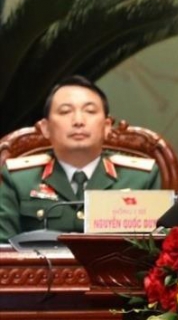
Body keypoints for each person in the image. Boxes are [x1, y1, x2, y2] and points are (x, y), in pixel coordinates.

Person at [0, 76, 161, 243]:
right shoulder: (18, 179)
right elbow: (3, 248)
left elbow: (155, 249)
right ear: (46, 128)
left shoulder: (141, 178)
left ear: (107, 127)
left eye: (90, 111)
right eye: (65, 111)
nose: (78, 121)